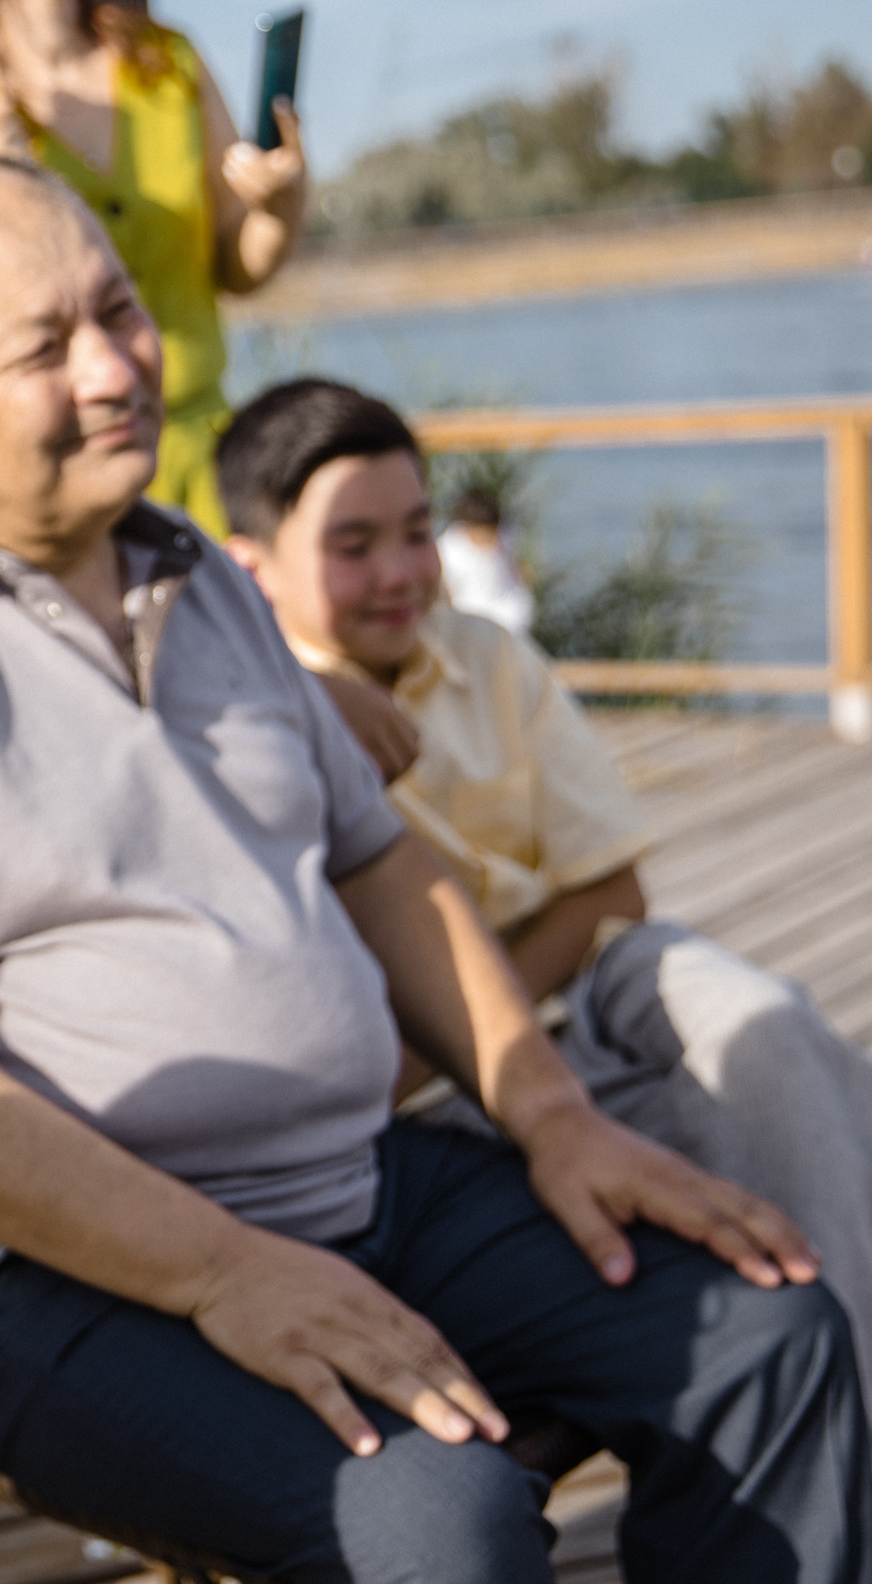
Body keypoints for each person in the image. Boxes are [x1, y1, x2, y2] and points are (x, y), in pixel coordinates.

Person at [0, 154, 867, 1584]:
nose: (119, 365)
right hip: (20, 1275)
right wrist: (217, 1269)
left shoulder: (203, 577)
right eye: (43, 347)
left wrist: (554, 1112)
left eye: (119, 312)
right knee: (434, 1519)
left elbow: (387, 867)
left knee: (767, 1334)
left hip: (354, 1181)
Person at [220, 375, 872, 1398]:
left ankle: (851, 1382)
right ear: (247, 567)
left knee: (771, 1027)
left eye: (417, 532)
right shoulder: (233, 710)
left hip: (571, 978)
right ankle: (808, 1365)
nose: (397, 573)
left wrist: (499, 1029)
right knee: (750, 1135)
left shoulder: (485, 652)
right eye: (352, 547)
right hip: (412, 1072)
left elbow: (609, 889)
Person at [0, 0, 307, 538]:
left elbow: (238, 266)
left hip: (206, 469)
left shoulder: (167, 64)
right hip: (60, 482)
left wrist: (278, 208)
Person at [436, 482, 537, 637]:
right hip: (469, 621)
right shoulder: (447, 551)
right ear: (468, 528)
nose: (491, 540)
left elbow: (516, 569)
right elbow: (443, 596)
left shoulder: (503, 536)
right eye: (486, 535)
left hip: (508, 616)